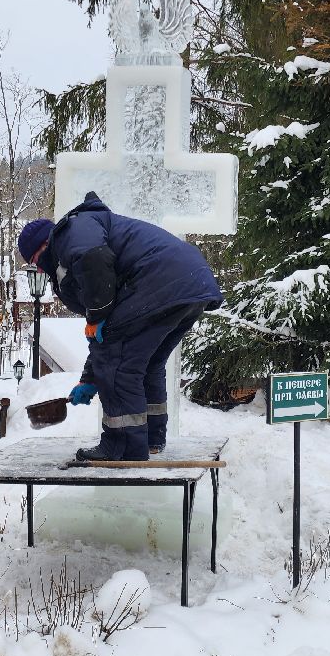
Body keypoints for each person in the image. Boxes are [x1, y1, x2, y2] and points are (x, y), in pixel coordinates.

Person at [18, 192, 222, 462]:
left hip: (159, 282)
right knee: (144, 363)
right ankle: (151, 437)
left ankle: (122, 446)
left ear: (44, 245)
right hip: (188, 284)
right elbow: (108, 335)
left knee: (119, 370)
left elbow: (93, 261)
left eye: (35, 262)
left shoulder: (72, 232)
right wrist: (89, 379)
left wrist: (97, 316)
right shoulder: (84, 239)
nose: (40, 270)